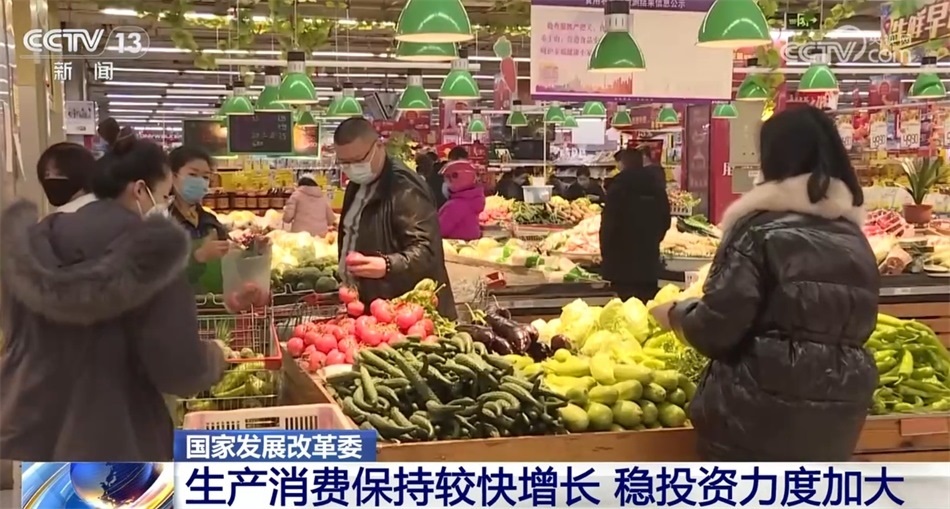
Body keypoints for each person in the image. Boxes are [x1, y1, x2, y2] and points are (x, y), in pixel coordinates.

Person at [650, 105, 879, 461]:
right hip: (836, 424)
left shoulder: (756, 231)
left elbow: (717, 329)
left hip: (753, 421)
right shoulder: (855, 240)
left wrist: (677, 314)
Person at [0, 139, 226, 461]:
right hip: (117, 441)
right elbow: (180, 369)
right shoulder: (154, 253)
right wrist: (214, 356)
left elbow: (14, 339)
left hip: (27, 436)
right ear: (140, 190)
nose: (163, 206)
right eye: (164, 196)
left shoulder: (32, 244)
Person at [334, 118, 457, 319]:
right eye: (344, 162)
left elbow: (427, 251)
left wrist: (387, 265)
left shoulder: (405, 188)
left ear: (379, 147)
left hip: (408, 314)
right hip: (373, 309)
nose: (351, 168)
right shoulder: (356, 185)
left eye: (357, 160)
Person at [600, 148, 671, 302]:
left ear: (622, 165)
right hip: (648, 263)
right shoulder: (656, 187)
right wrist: (653, 240)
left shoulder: (617, 188)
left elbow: (608, 227)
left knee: (623, 308)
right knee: (646, 306)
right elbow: (666, 220)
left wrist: (606, 256)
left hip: (620, 264)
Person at [167, 145, 230, 294]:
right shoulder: (162, 221)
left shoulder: (210, 221)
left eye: (205, 177)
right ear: (173, 176)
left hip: (214, 304)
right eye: (193, 174)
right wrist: (197, 257)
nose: (200, 181)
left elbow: (231, 255)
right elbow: (156, 275)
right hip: (178, 304)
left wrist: (255, 249)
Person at [36, 142, 97, 212]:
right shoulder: (102, 206)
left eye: (60, 173)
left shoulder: (65, 214)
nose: (51, 178)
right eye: (47, 174)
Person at [438, 160, 486, 241]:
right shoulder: (473, 200)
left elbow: (438, 231)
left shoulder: (454, 206)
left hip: (454, 247)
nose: (445, 183)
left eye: (448, 179)